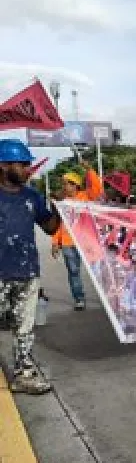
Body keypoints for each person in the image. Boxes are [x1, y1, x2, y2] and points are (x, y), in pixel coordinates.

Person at [0, 139, 61, 394]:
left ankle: (23, 374)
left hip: (27, 273)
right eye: (23, 165)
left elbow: (50, 228)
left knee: (24, 329)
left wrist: (59, 211)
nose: (28, 170)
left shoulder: (33, 196)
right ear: (4, 166)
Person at [51, 160, 103, 311]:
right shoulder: (63, 202)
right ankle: (79, 298)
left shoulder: (86, 196)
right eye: (64, 184)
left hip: (87, 242)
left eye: (67, 183)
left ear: (75, 185)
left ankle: (109, 300)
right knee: (73, 272)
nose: (64, 186)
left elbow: (98, 189)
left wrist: (89, 169)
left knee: (98, 272)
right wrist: (55, 242)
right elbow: (59, 224)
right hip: (68, 243)